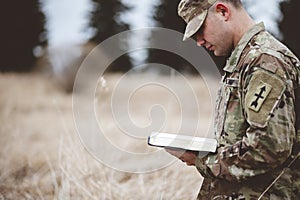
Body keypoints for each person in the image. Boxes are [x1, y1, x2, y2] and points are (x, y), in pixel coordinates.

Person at [165, 0, 300, 199]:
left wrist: (203, 160)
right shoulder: (245, 60)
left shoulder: (265, 62)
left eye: (201, 28)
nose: (199, 41)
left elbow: (268, 147)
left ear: (222, 11)